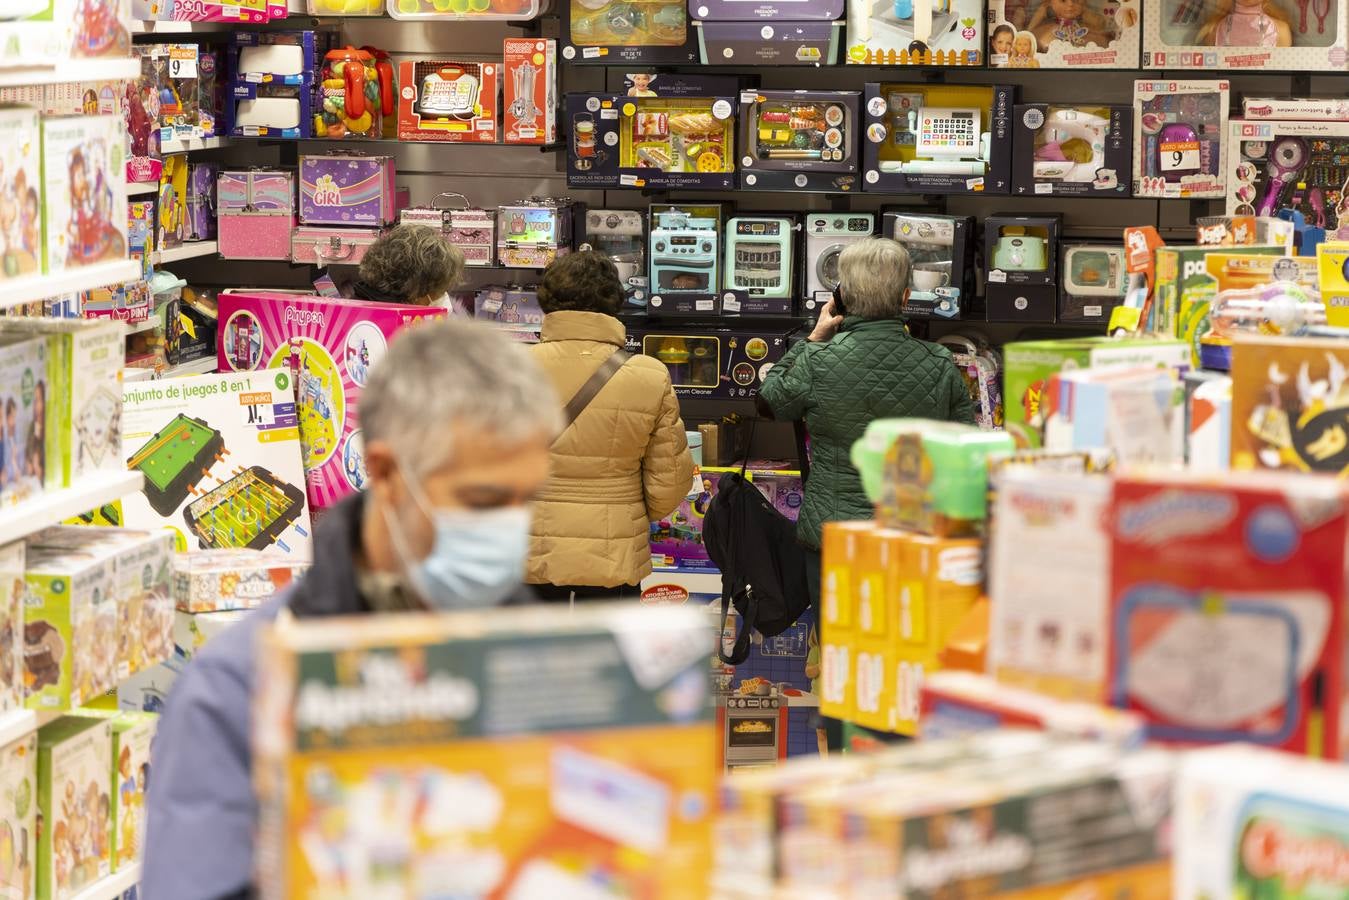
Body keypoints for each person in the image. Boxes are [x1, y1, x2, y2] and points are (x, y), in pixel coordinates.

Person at [140, 319, 561, 900]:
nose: (511, 528)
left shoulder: (548, 661)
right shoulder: (238, 689)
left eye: (527, 500)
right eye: (484, 500)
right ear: (387, 473)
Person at [526, 251, 694, 603]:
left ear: (547, 301)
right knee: (608, 655)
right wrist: (624, 509)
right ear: (615, 302)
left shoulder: (510, 367)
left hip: (529, 546)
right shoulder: (648, 374)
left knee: (531, 656)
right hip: (614, 549)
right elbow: (669, 482)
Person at [350, 223, 464, 306]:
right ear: (417, 288)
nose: (441, 296)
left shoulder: (359, 303)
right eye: (438, 290)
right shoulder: (397, 328)